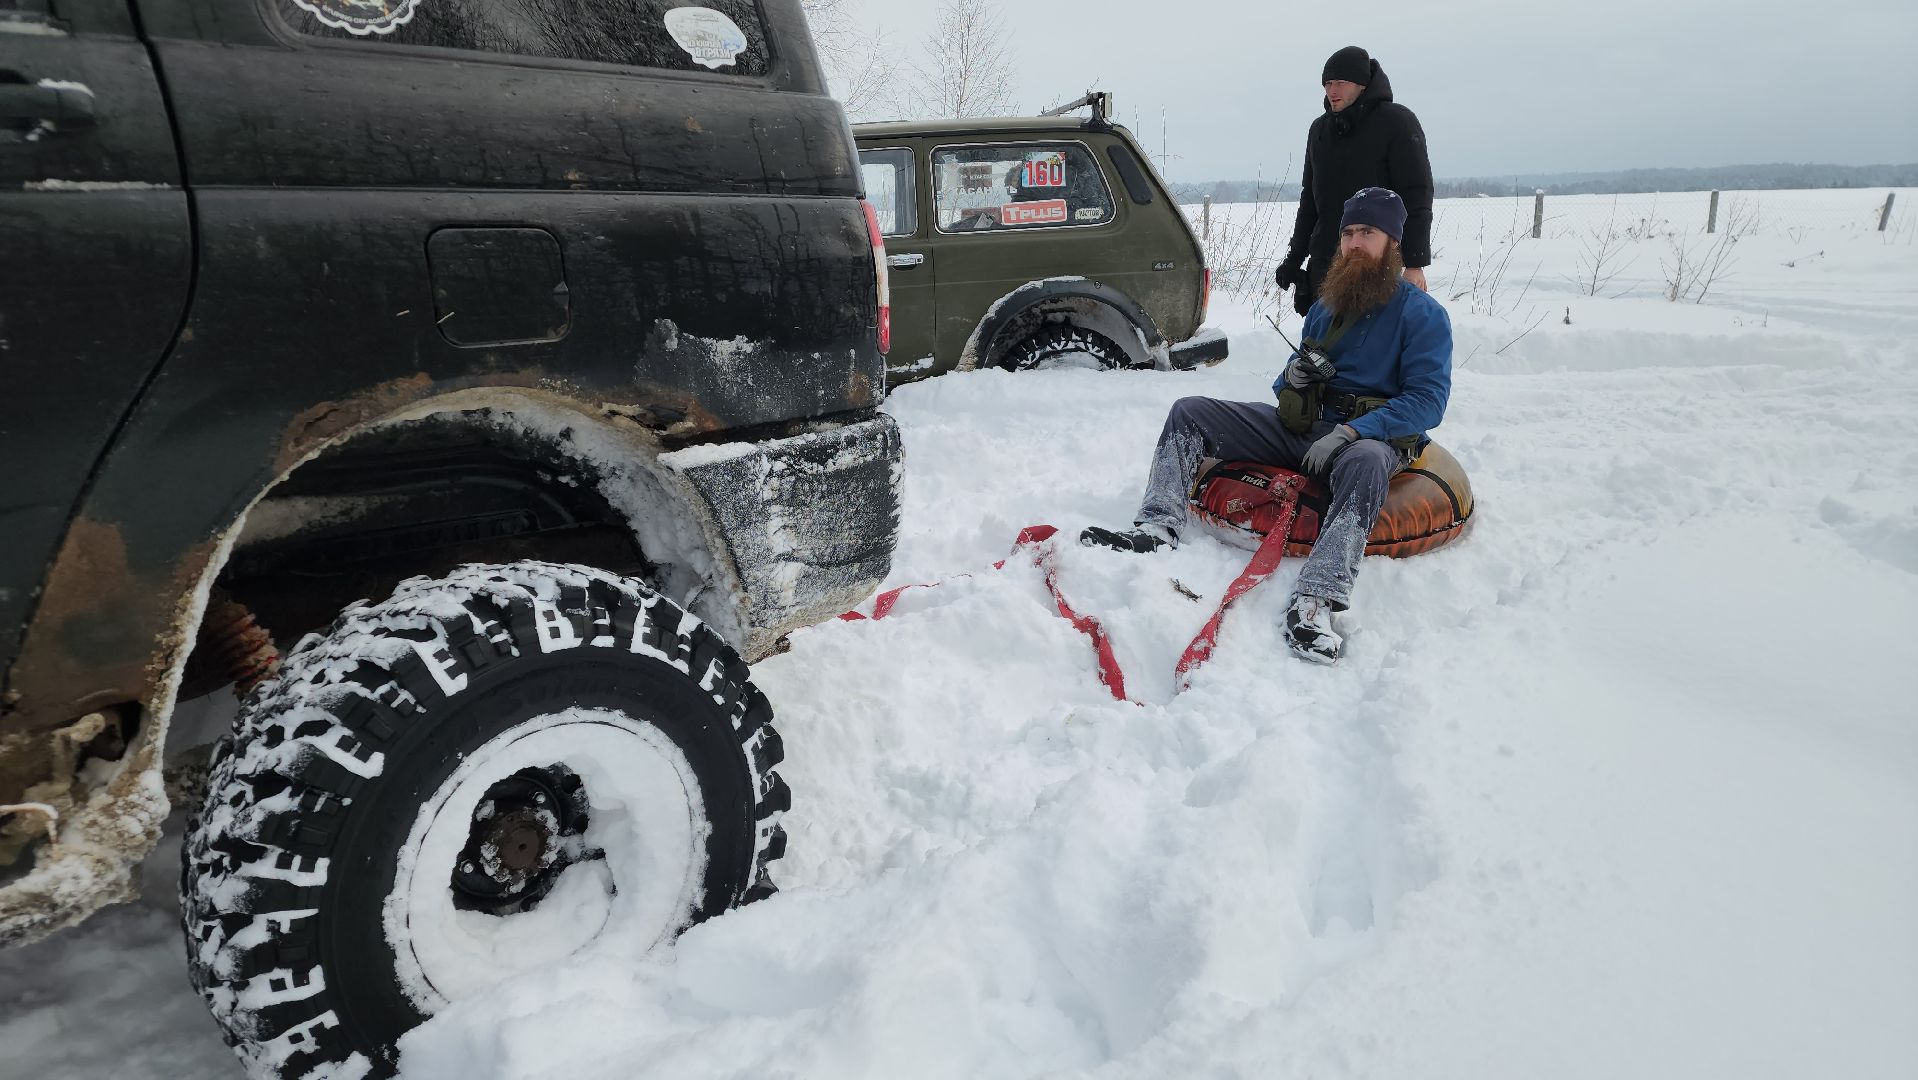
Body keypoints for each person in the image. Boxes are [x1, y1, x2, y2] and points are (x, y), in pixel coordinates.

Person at [1080, 188, 1451, 664]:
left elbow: (1428, 401)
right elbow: (1288, 386)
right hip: (1311, 428)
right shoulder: (1326, 307)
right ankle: (1157, 525)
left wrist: (1356, 432)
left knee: (1365, 461)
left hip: (1373, 440)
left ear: (1393, 244)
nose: (1355, 243)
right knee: (1189, 411)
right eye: (1349, 233)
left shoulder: (1423, 316)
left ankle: (1317, 598)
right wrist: (1292, 378)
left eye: (1368, 233)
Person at [1275, 46, 1435, 317]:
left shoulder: (1396, 122)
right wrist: (1295, 259)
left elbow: (1416, 194)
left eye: (1340, 82)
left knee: (1369, 342)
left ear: (1362, 85)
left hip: (1375, 263)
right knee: (1320, 348)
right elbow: (1309, 202)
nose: (1331, 90)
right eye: (1327, 83)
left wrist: (1415, 262)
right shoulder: (1320, 130)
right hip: (1325, 259)